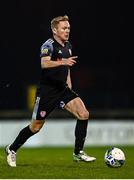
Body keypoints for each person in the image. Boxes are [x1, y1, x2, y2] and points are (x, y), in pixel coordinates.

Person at [5, 15, 96, 167]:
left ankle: (78, 153)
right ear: (55, 30)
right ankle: (12, 149)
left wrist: (69, 85)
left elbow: (67, 69)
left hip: (63, 90)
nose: (67, 31)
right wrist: (63, 61)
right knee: (35, 127)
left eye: (68, 28)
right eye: (64, 28)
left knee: (84, 114)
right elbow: (44, 63)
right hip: (47, 92)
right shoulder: (48, 45)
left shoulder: (68, 45)